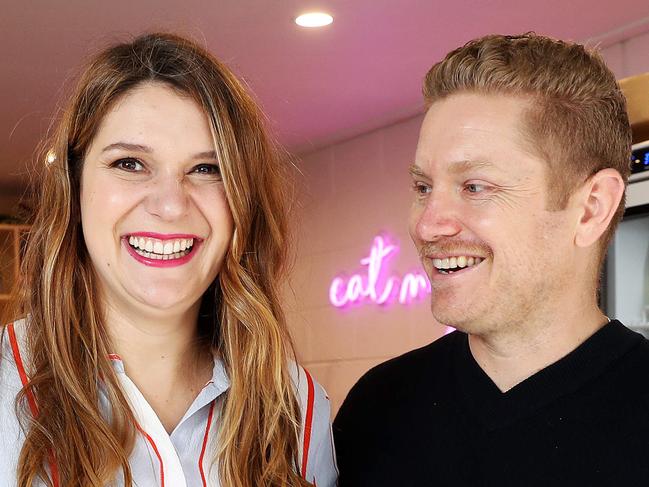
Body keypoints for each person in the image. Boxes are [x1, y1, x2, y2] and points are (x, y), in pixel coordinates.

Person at [0, 33, 337, 487]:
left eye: (206, 169)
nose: (171, 204)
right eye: (130, 163)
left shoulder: (294, 404)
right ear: (74, 188)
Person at [334, 33, 649, 486]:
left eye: (475, 187)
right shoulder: (376, 407)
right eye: (423, 188)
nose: (427, 225)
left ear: (591, 207)